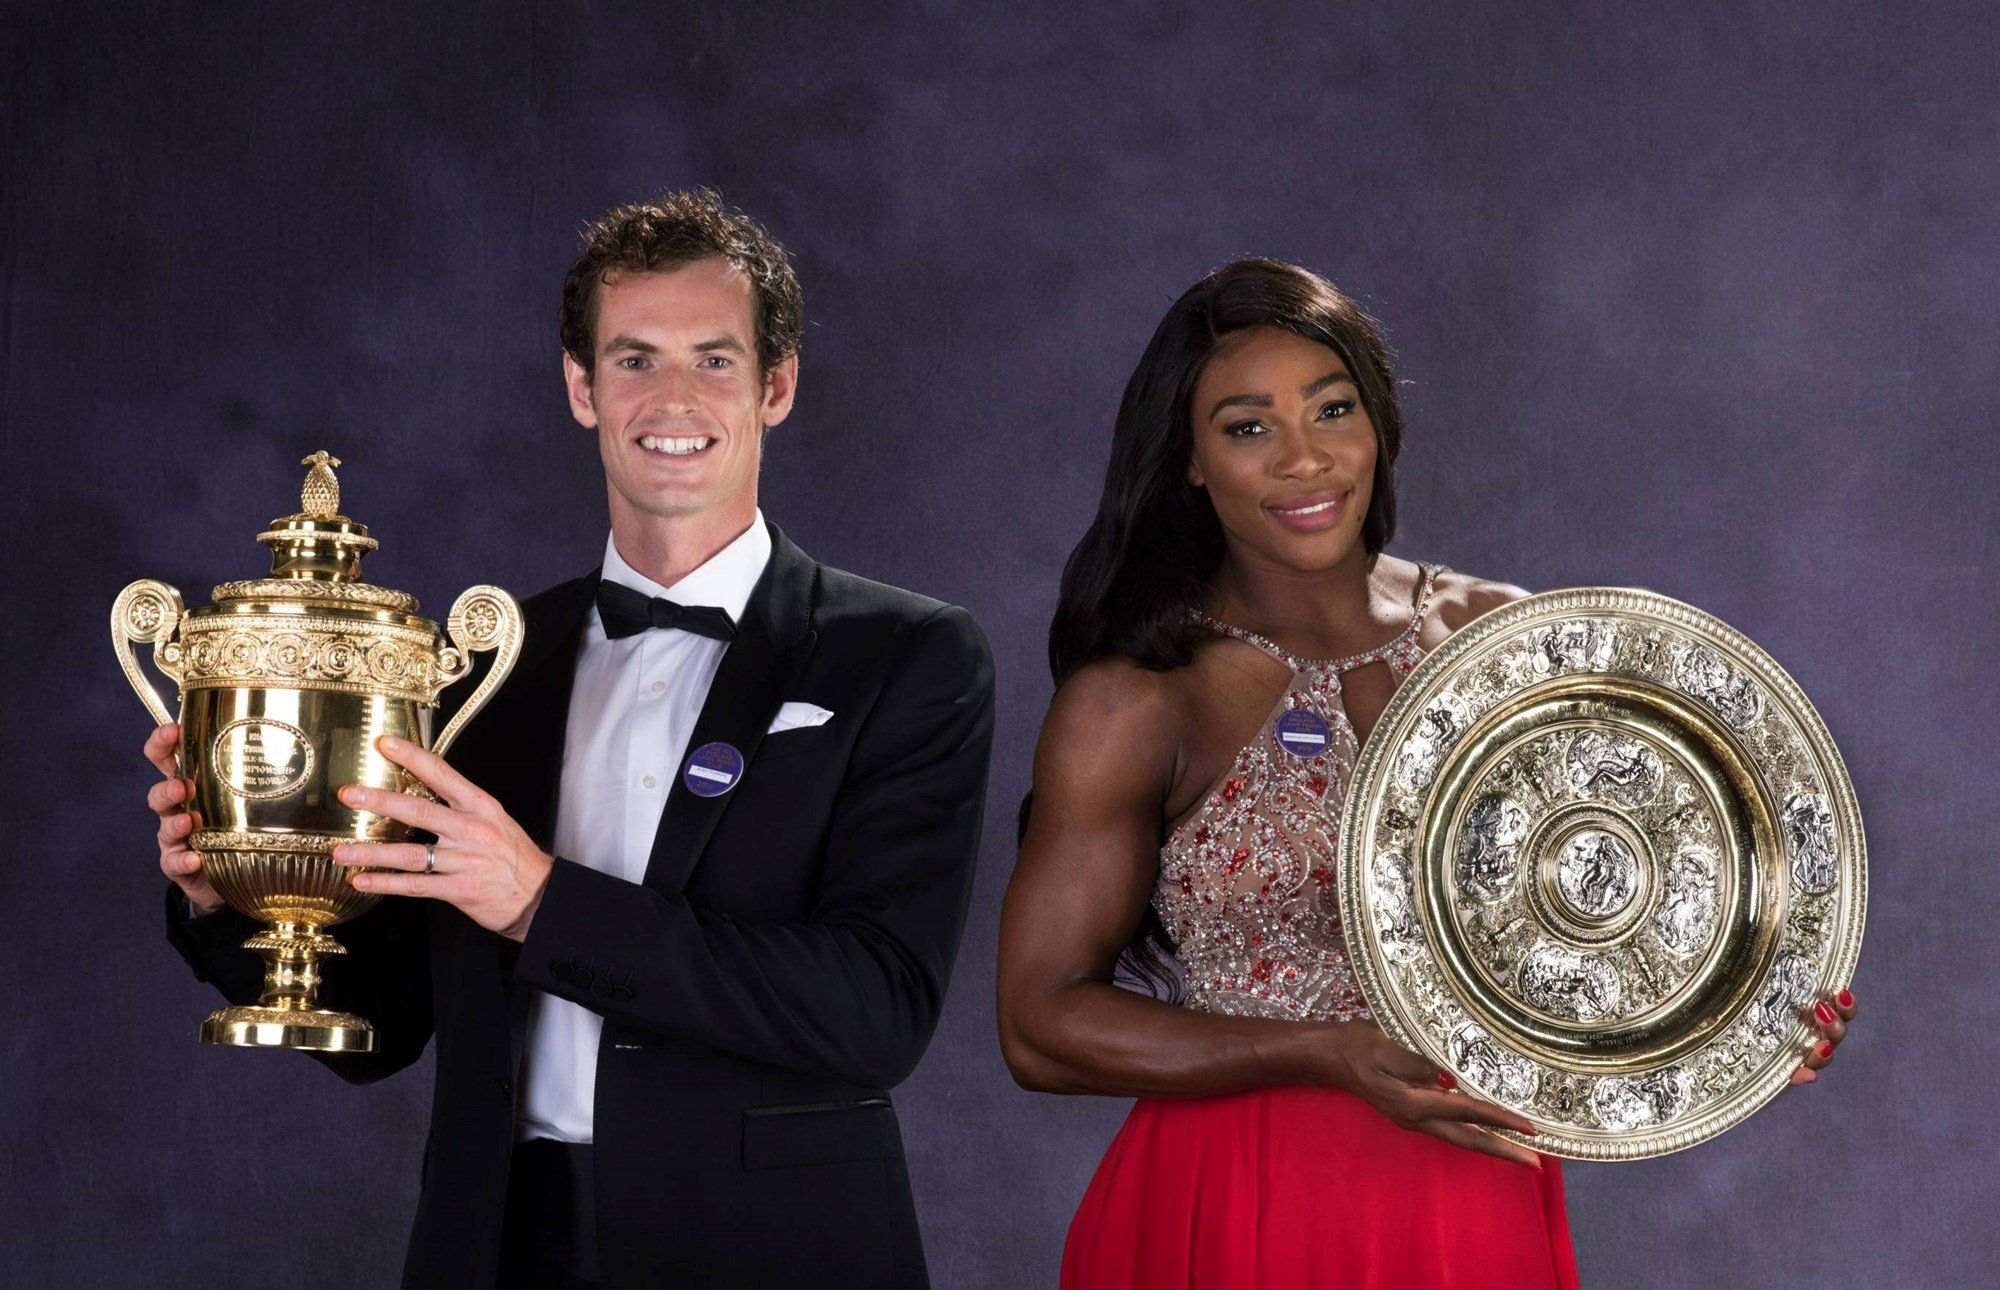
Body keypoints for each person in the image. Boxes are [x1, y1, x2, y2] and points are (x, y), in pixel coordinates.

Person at [146, 189, 996, 1289]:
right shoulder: (476, 668)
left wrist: (544, 902)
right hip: (499, 1244)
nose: (671, 399)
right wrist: (232, 900)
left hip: (775, 1250)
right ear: (579, 387)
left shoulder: (908, 654)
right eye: (633, 359)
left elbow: (874, 1011)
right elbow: (390, 1027)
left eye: (714, 359)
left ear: (775, 385)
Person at [995, 259, 1857, 1287]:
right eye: (1246, 427)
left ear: (1379, 424)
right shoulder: (1139, 696)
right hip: (1240, 1200)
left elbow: (1627, 891)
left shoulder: (1504, 638)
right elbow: (1039, 1026)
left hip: (1470, 1199)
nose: (1304, 460)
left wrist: (1752, 1018)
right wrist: (1320, 1051)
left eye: (1331, 409)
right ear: (1187, 459)